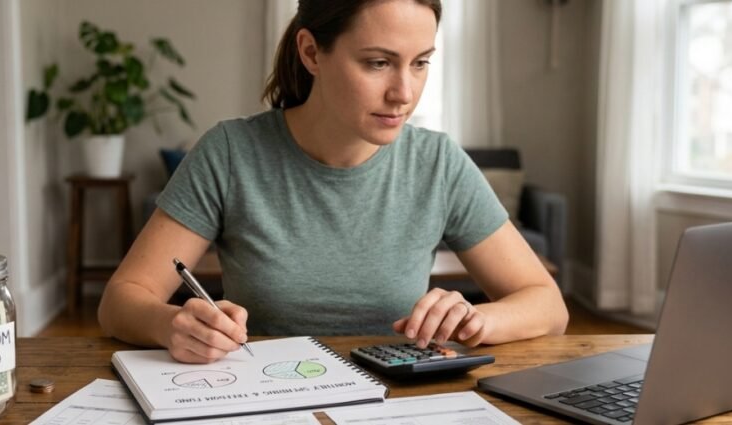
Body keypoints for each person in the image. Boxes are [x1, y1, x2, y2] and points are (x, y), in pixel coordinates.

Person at [99, 0, 568, 364]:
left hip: (396, 404)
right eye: (378, 63)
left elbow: (549, 307)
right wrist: (171, 325)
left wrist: (473, 317)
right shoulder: (230, 152)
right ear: (311, 52)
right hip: (265, 399)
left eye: (421, 62)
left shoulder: (437, 162)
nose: (404, 93)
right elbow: (121, 302)